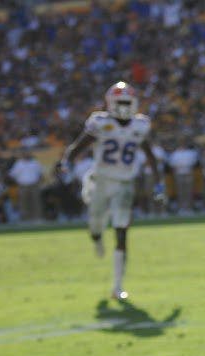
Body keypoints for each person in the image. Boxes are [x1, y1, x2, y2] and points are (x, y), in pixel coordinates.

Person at [59, 82, 164, 300]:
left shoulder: (140, 125)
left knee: (121, 230)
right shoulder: (100, 122)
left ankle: (117, 286)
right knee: (96, 224)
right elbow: (78, 146)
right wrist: (67, 162)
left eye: (127, 102)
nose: (124, 107)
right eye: (120, 102)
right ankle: (97, 237)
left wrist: (158, 182)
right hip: (101, 181)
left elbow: (150, 155)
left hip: (125, 183)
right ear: (111, 103)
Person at [7, 149, 45, 221]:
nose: (26, 155)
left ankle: (38, 218)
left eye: (28, 153)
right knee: (24, 202)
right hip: (23, 186)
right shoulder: (19, 163)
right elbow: (12, 174)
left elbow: (41, 173)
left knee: (36, 201)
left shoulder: (35, 162)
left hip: (34, 185)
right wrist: (17, 182)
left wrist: (39, 183)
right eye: (25, 153)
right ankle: (25, 218)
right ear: (22, 154)